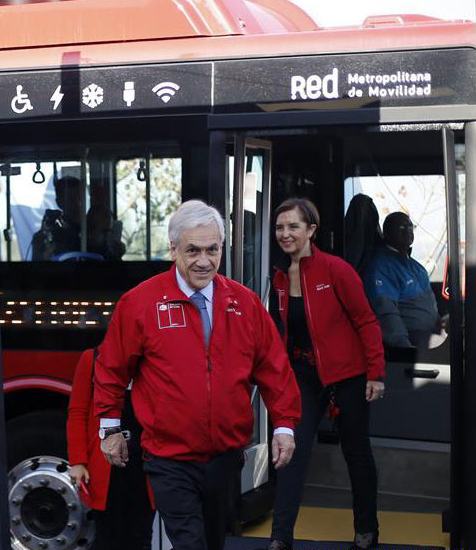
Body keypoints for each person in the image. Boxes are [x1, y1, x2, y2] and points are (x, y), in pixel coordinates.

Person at [93, 199, 302, 550]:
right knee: (190, 544)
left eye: (213, 250)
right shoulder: (141, 303)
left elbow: (274, 368)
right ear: (173, 249)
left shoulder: (245, 303)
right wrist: (109, 428)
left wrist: (284, 426)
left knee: (213, 542)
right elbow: (112, 368)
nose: (204, 261)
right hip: (169, 459)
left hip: (225, 458)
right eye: (193, 250)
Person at [268, 197, 386, 550]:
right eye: (279, 227)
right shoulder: (277, 275)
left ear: (311, 230)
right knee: (290, 451)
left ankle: (366, 530)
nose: (285, 234)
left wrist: (375, 373)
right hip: (302, 375)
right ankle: (280, 537)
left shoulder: (336, 270)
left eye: (293, 227)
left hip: (346, 375)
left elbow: (366, 321)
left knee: (356, 452)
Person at [67, 348, 152, 550]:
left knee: (141, 536)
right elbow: (77, 412)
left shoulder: (152, 359)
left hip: (145, 464)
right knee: (106, 537)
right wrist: (78, 461)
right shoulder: (92, 358)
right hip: (105, 465)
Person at [362, 211, 441, 348]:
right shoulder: (381, 267)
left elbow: (428, 305)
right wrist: (403, 347)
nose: (408, 231)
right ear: (387, 233)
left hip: (431, 330)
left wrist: (441, 322)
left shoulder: (417, 267)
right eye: (402, 228)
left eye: (410, 227)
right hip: (411, 338)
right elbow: (386, 312)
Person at [31, 176, 84, 260]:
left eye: (81, 198)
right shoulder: (46, 237)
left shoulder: (93, 229)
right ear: (59, 203)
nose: (78, 203)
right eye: (71, 199)